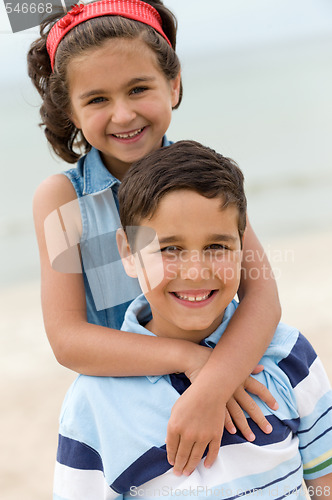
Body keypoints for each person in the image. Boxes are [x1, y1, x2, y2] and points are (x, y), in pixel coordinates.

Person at [28, 0, 281, 475]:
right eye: (97, 99)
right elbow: (68, 339)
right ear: (72, 111)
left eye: (138, 88)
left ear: (174, 84)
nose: (123, 115)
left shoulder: (203, 178)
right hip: (128, 403)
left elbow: (263, 295)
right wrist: (189, 360)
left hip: (231, 378)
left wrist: (214, 381)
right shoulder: (62, 200)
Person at [54, 140, 332, 500]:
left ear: (243, 247)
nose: (196, 272)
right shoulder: (94, 403)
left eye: (217, 246)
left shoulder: (290, 356)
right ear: (128, 252)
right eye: (170, 248)